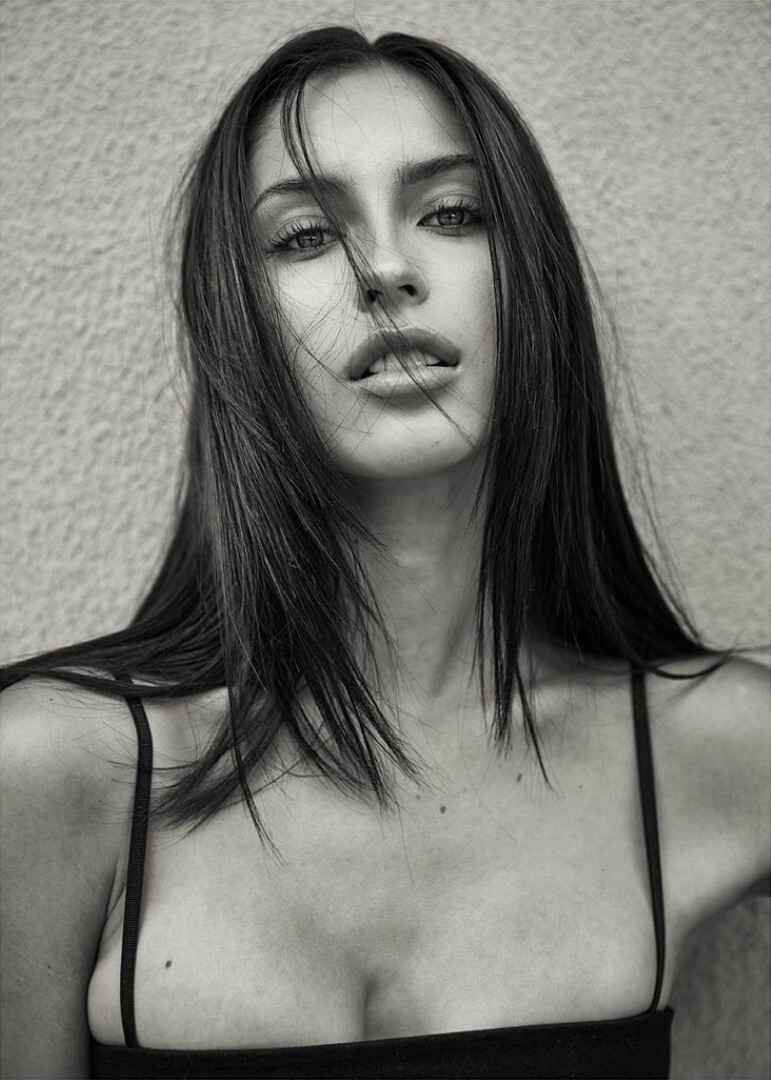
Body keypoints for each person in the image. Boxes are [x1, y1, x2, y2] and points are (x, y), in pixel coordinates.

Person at [0, 25, 768, 1080]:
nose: (387, 268)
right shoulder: (56, 769)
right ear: (236, 324)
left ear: (533, 281)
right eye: (304, 236)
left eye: (451, 214)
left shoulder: (707, 749)